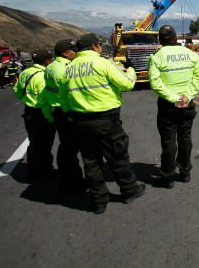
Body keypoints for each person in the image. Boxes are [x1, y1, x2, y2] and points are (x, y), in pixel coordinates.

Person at [58, 33, 144, 214]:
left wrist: (73, 116)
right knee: (118, 156)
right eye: (98, 45)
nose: (100, 48)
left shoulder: (69, 69)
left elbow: (63, 100)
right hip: (106, 120)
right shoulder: (103, 63)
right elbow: (127, 84)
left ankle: (99, 201)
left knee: (91, 162)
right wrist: (130, 69)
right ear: (94, 47)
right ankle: (129, 191)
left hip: (80, 122)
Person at [148, 25, 199, 189]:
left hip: (168, 106)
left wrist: (175, 99)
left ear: (160, 39)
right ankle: (185, 172)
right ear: (175, 38)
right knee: (185, 138)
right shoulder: (190, 53)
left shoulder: (157, 56)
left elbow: (155, 84)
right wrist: (187, 96)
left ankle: (168, 177)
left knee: (168, 142)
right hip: (187, 104)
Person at [44, 39, 86, 192]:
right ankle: (72, 182)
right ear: (65, 53)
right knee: (70, 149)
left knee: (66, 147)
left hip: (56, 110)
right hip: (66, 112)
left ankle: (67, 179)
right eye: (73, 50)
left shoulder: (50, 67)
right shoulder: (64, 69)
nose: (76, 52)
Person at [13, 50, 56, 182]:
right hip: (42, 114)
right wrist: (49, 117)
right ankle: (45, 172)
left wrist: (27, 100)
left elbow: (17, 91)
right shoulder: (43, 76)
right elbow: (45, 100)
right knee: (45, 145)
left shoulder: (25, 73)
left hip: (29, 112)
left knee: (33, 143)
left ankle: (32, 171)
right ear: (47, 61)